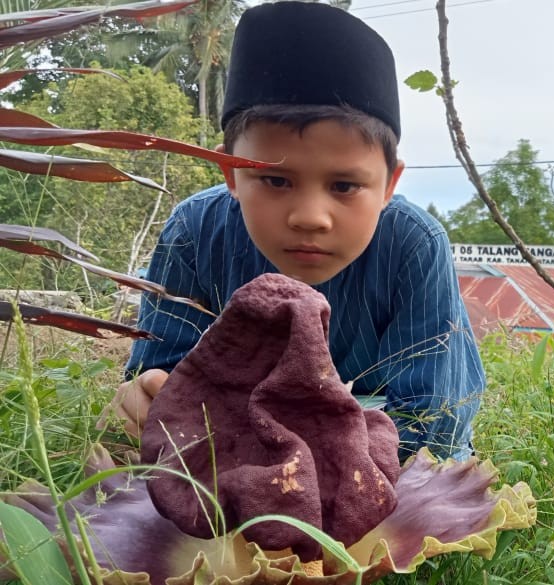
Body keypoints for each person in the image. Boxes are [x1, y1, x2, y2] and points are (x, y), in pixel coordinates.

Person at [106, 1, 485, 463]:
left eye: (344, 185)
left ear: (389, 183)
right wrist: (146, 398)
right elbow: (160, 374)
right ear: (230, 171)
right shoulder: (194, 232)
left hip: (381, 479)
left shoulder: (413, 244)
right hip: (227, 473)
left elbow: (434, 423)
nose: (310, 217)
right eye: (276, 180)